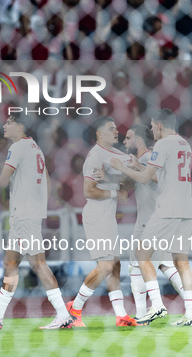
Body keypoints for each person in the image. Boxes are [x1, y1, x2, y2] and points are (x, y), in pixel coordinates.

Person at [0, 114, 73, 330]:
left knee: (37, 264)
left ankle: (62, 314)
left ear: (20, 126)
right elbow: (48, 182)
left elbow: (2, 181)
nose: (4, 125)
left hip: (23, 216)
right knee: (11, 264)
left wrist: (8, 178)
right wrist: (38, 203)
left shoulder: (18, 148)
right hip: (28, 214)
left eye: (8, 123)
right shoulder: (35, 148)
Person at [110, 109, 192, 326]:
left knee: (141, 252)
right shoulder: (184, 144)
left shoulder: (162, 144)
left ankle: (157, 305)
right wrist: (141, 166)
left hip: (167, 209)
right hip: (186, 208)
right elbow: (161, 177)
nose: (151, 130)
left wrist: (121, 167)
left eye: (152, 126)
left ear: (159, 126)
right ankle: (190, 313)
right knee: (181, 262)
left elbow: (144, 178)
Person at [66, 116, 138, 327]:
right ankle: (75, 307)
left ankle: (121, 315)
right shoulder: (95, 156)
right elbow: (88, 191)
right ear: (98, 133)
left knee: (115, 265)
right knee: (105, 266)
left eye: (116, 128)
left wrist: (115, 181)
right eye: (110, 128)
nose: (116, 131)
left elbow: (133, 179)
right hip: (96, 216)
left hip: (108, 217)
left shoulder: (117, 154)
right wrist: (116, 192)